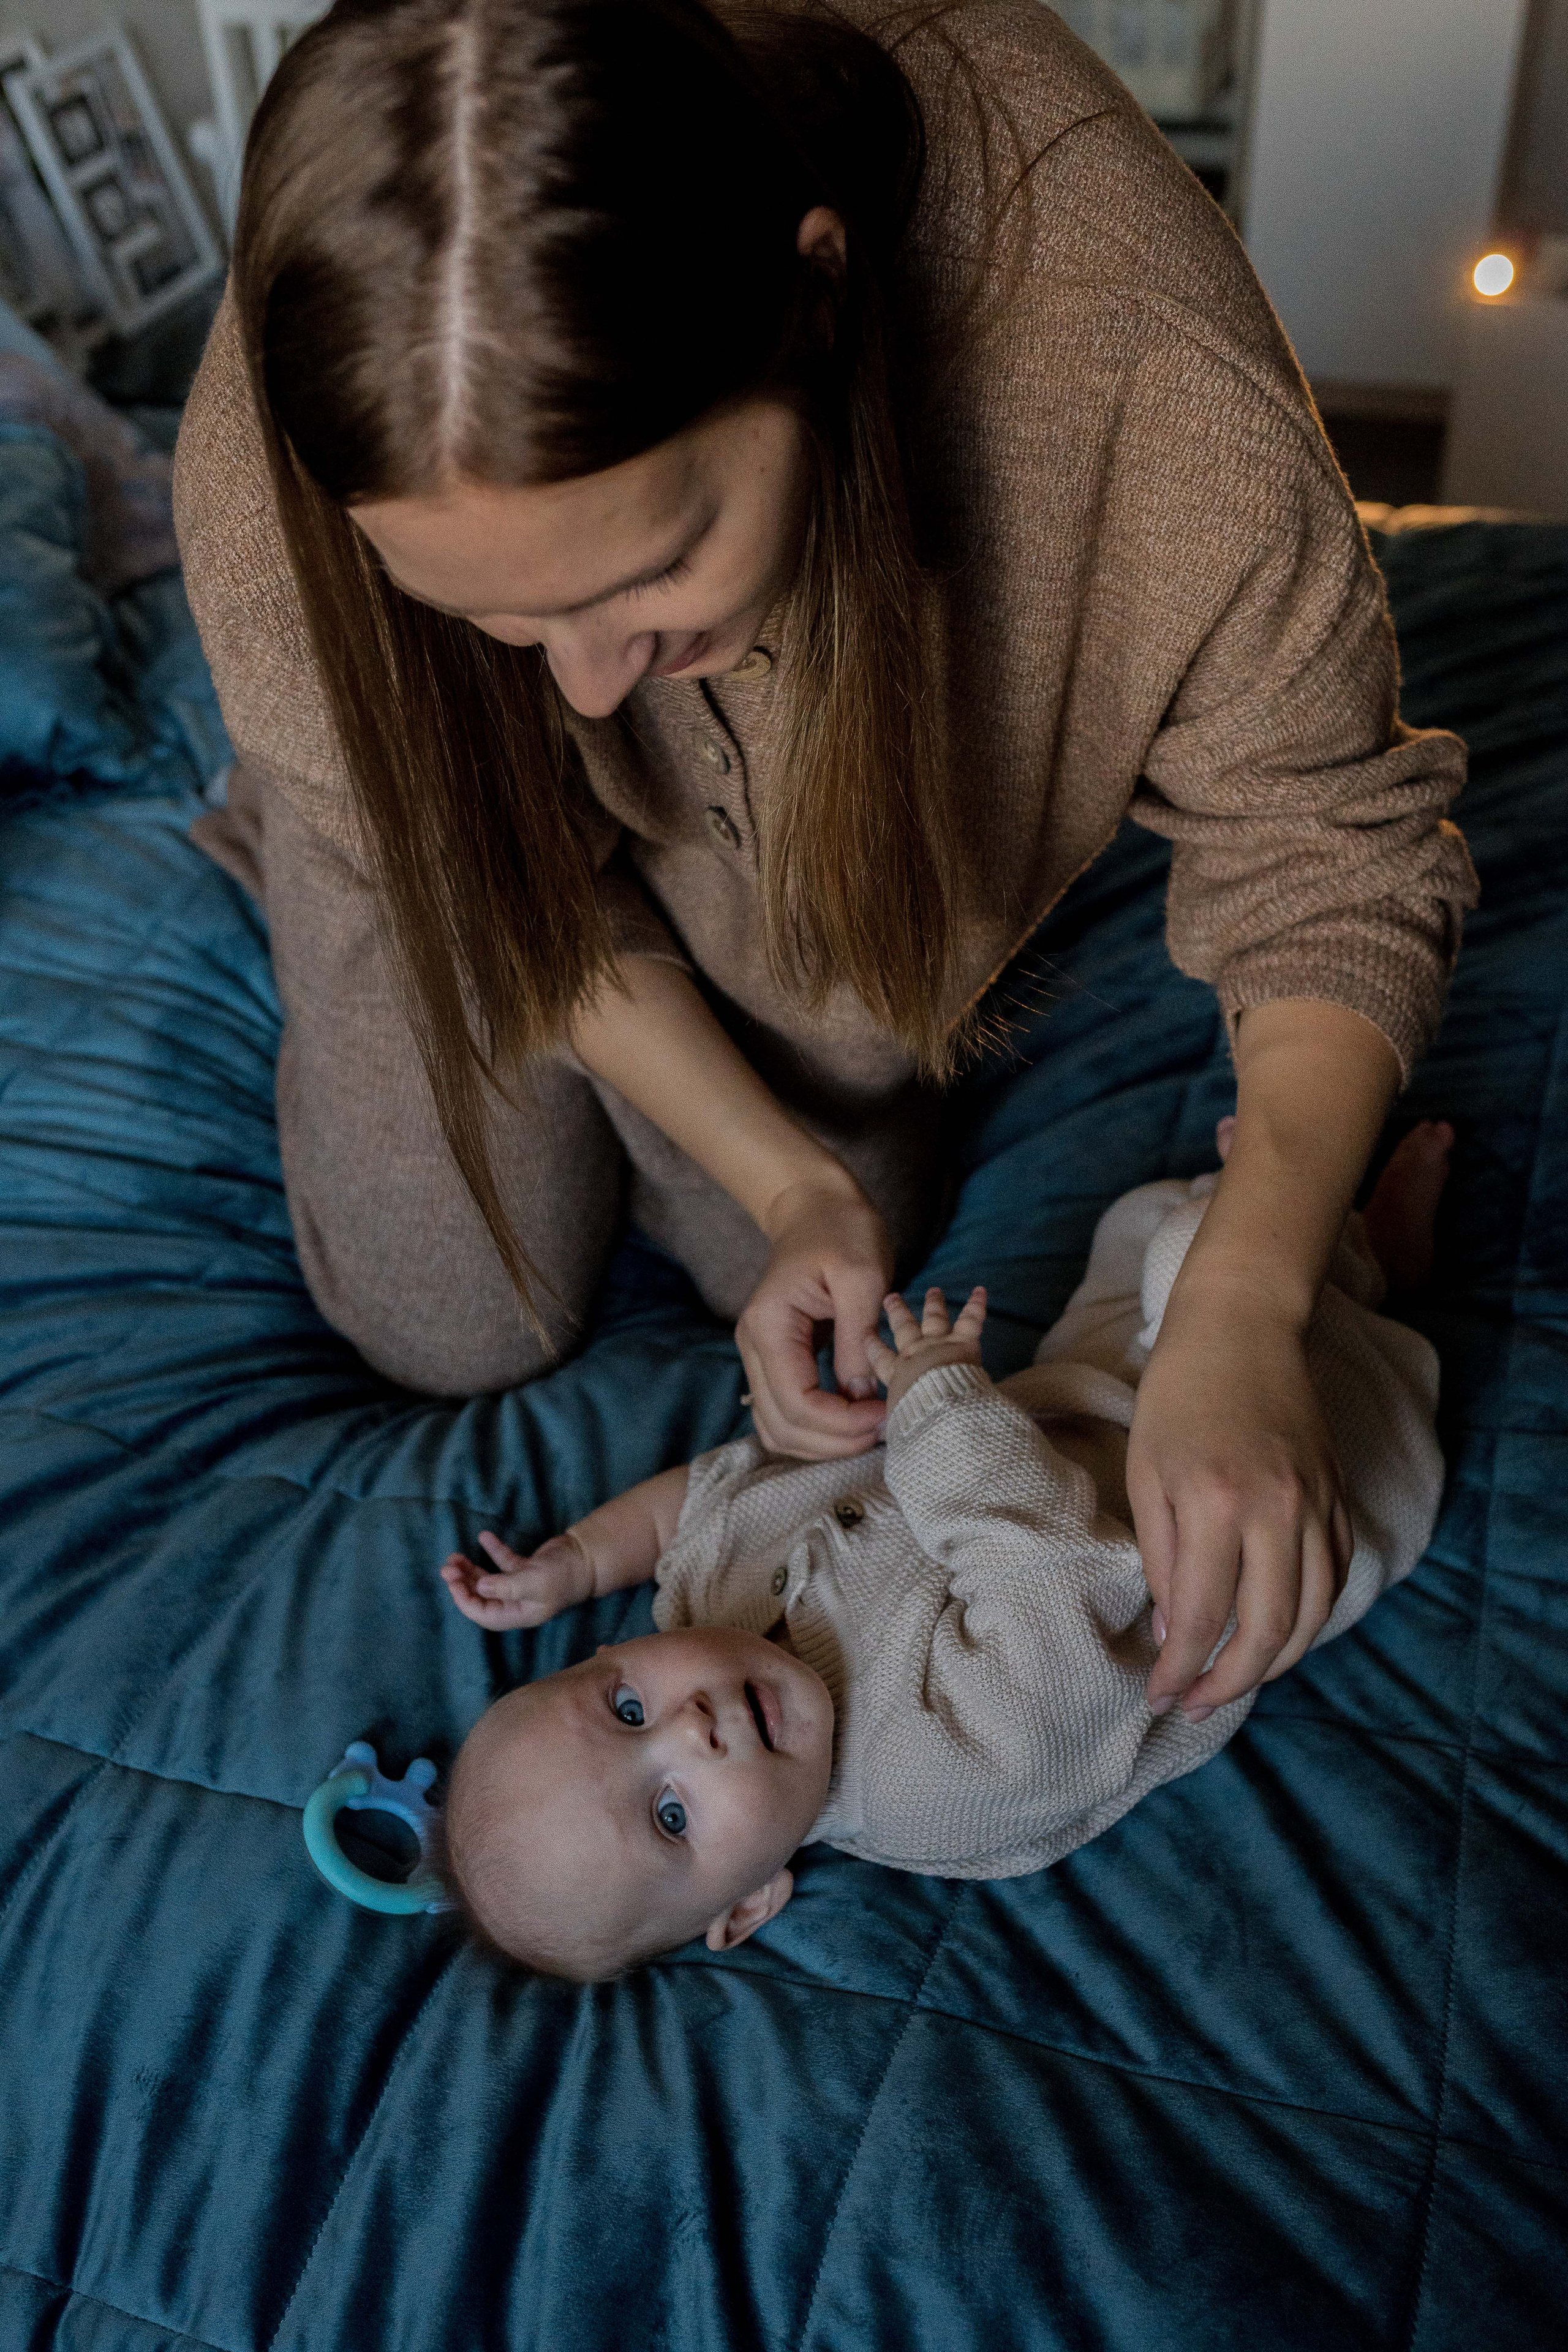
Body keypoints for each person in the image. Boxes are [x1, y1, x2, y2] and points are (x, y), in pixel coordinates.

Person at [173, 0, 1477, 1733]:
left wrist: (1251, 1284)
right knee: (452, 1325)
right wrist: (787, 1178)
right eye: (490, 618)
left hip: (850, 787)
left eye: (653, 572)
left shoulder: (1130, 348)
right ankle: (314, 824)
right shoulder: (267, 482)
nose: (579, 685)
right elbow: (530, 882)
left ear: (817, 287)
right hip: (460, 839)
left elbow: (1326, 844)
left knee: (803, 1271)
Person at [434, 1121, 1451, 1980]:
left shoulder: (708, 1596)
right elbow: (1062, 1580)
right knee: (1193, 1249)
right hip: (1280, 1495)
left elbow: (693, 1507)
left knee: (1137, 1223)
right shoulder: (940, 1784)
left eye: (625, 1708)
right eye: (669, 1816)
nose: (689, 1729)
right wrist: (933, 1410)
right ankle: (1357, 1258)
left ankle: (1307, 1228)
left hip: (1086, 1389)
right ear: (749, 1904)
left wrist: (575, 1560)